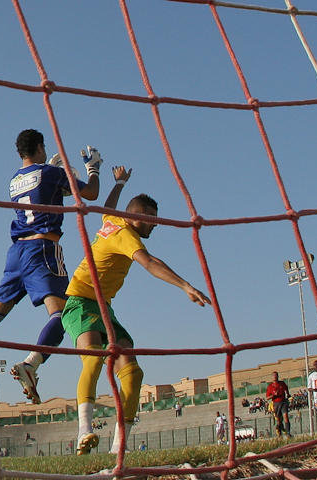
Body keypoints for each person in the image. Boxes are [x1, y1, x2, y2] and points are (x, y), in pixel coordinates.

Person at [0, 129, 100, 402]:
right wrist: (92, 168)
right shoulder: (51, 174)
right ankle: (30, 364)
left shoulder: (14, 180)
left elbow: (41, 195)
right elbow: (91, 194)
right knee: (60, 315)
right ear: (39, 146)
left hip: (16, 253)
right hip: (43, 249)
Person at [62, 167, 210, 455]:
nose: (155, 225)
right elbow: (150, 263)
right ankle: (84, 431)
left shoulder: (114, 220)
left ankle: (119, 446)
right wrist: (185, 286)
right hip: (80, 299)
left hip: (104, 307)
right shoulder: (127, 236)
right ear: (137, 217)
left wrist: (119, 182)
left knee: (133, 372)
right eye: (151, 220)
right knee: (93, 360)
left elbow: (106, 207)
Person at [266, 371, 291, 437]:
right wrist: (273, 395)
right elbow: (267, 397)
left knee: (286, 417)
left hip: (283, 402)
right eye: (274, 375)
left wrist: (288, 394)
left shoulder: (282, 383)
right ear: (272, 377)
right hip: (276, 404)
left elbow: (286, 388)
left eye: (276, 375)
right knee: (279, 421)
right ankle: (280, 432)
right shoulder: (270, 386)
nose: (275, 377)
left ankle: (288, 433)